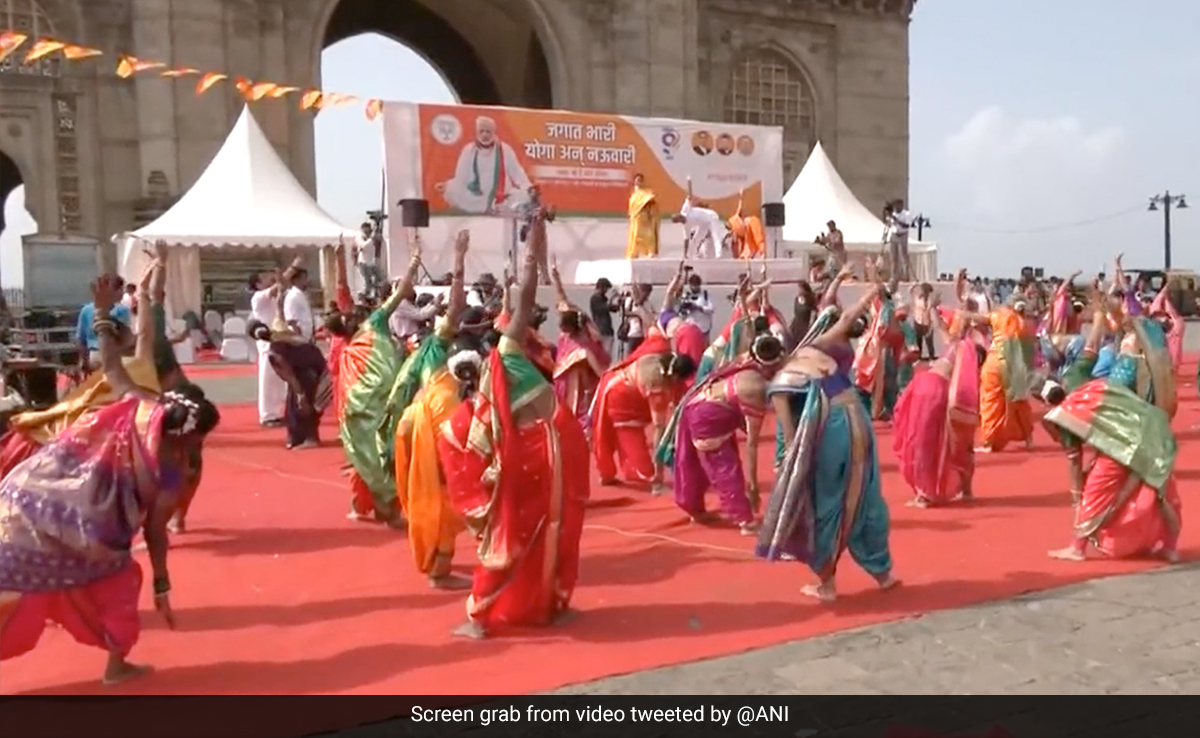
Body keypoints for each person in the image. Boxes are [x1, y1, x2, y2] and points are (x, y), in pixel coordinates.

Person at [0, 273, 220, 684]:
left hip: (27, 498)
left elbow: (113, 367)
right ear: (192, 435)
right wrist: (160, 583)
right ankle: (117, 665)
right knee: (118, 586)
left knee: (14, 591)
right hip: (86, 533)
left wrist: (101, 312)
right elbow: (156, 531)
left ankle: (115, 662)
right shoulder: (172, 469)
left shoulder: (139, 404)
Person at [437, 206, 589, 639]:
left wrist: (533, 243)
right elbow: (521, 296)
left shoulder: (500, 360)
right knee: (557, 529)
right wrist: (533, 243)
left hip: (533, 452)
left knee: (511, 531)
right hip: (563, 444)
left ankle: (479, 616)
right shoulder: (518, 355)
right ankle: (552, 601)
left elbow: (522, 295)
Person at [757, 282, 897, 602]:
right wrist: (871, 292)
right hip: (857, 419)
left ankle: (826, 582)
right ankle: (882, 572)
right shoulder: (811, 350)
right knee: (865, 494)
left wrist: (791, 483)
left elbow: (792, 442)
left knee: (825, 504)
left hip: (831, 431)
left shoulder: (780, 385)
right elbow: (847, 319)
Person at [0, 259, 161, 482]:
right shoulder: (142, 374)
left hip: (52, 442)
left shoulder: (126, 374)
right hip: (88, 454)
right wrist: (143, 291)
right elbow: (144, 334)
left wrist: (102, 315)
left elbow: (105, 355)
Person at [392, 230, 471, 589]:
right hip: (436, 421)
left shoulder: (419, 354)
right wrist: (459, 258)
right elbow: (454, 307)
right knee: (443, 496)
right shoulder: (438, 349)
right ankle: (439, 570)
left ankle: (434, 560)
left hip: (414, 421)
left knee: (428, 493)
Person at [1042, 369, 1180, 564]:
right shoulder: (1082, 381)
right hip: (1153, 429)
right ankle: (1170, 547)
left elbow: (1074, 461)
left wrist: (1077, 498)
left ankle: (1077, 548)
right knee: (1161, 492)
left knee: (1094, 494)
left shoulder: (1065, 413)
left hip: (1123, 445)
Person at [661, 331, 785, 534]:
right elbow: (752, 445)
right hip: (706, 419)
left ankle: (696, 509)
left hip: (706, 408)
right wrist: (753, 486)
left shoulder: (745, 360)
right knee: (726, 468)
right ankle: (744, 519)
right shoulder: (755, 388)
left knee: (700, 466)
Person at [339, 261, 419, 526]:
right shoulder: (373, 328)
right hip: (372, 408)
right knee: (381, 458)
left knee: (369, 458)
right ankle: (387, 511)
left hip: (372, 407)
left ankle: (367, 506)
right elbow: (395, 298)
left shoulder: (364, 338)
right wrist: (413, 265)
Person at [893, 298, 985, 507]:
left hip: (930, 389)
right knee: (955, 443)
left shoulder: (963, 346)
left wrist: (958, 312)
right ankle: (964, 490)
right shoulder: (960, 346)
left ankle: (924, 494)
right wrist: (934, 308)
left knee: (922, 442)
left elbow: (947, 325)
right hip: (933, 390)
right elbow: (941, 324)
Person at [591, 329, 696, 491]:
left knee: (624, 435)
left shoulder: (664, 356)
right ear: (676, 377)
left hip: (622, 387)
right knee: (631, 439)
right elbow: (659, 431)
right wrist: (658, 472)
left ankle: (624, 471)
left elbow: (653, 331)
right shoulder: (657, 383)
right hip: (620, 397)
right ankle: (645, 475)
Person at [249, 276, 331, 450]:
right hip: (308, 366)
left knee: (304, 405)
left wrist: (300, 393)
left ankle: (309, 438)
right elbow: (279, 310)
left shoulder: (276, 349)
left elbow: (287, 374)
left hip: (313, 369)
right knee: (294, 405)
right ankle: (298, 437)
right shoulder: (281, 335)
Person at [548, 256, 610, 433]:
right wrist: (555, 276)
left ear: (570, 326)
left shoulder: (583, 347)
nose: (560, 327)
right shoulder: (566, 333)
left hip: (577, 384)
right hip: (561, 381)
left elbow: (598, 370)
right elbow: (561, 297)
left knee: (576, 414)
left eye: (563, 326)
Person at [439, 115, 533, 214]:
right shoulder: (468, 150)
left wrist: (528, 187)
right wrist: (448, 185)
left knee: (524, 195)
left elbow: (517, 172)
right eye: (482, 131)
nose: (485, 135)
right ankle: (487, 207)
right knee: (451, 189)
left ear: (493, 132)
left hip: (501, 197)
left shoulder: (505, 149)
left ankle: (496, 207)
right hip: (475, 196)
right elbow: (461, 177)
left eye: (488, 132)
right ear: (477, 132)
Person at [976, 295, 1035, 453]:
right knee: (1020, 402)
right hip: (1017, 366)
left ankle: (988, 441)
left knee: (991, 400)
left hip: (997, 361)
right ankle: (1028, 439)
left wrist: (961, 313)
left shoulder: (1000, 316)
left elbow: (981, 318)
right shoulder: (1028, 326)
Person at [250, 269, 285, 426]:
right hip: (266, 341)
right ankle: (266, 415)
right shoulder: (258, 297)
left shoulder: (269, 298)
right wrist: (293, 267)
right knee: (267, 379)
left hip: (276, 338)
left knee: (277, 378)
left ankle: (275, 412)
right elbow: (277, 287)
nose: (267, 279)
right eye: (263, 278)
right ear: (257, 284)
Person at [76, 275, 132, 374]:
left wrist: (83, 360)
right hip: (115, 354)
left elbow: (81, 339)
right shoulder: (121, 310)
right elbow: (125, 338)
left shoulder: (85, 310)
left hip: (94, 355)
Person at [674, 183, 726, 259]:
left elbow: (689, 196)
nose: (679, 219)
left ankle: (719, 255)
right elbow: (686, 240)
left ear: (679, 215)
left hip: (711, 217)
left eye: (678, 217)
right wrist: (684, 254)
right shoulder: (686, 227)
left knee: (716, 235)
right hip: (703, 224)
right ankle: (693, 256)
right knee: (696, 239)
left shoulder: (685, 209)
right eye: (677, 220)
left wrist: (689, 183)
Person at [626, 173, 660, 258]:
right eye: (637, 180)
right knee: (635, 237)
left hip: (645, 218)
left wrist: (651, 213)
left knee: (648, 236)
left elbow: (651, 203)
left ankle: (650, 251)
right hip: (636, 220)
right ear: (634, 182)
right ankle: (635, 253)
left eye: (640, 180)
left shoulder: (647, 193)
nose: (638, 182)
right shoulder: (634, 195)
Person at [282, 262, 316, 341]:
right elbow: (291, 320)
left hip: (307, 337)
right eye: (304, 278)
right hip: (298, 338)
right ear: (296, 280)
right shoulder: (292, 296)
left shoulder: (303, 295)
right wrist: (299, 337)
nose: (306, 281)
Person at [588, 278, 619, 360]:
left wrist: (618, 302)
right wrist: (613, 297)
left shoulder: (602, 298)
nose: (606, 290)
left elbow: (613, 309)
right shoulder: (595, 298)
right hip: (601, 329)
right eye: (605, 288)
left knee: (604, 355)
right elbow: (606, 307)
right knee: (604, 355)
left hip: (603, 329)